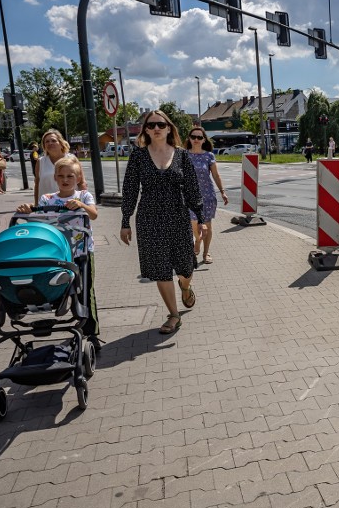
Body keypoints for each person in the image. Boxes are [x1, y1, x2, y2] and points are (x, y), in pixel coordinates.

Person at [120, 110, 207, 335]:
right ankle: (174, 315)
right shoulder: (138, 156)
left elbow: (192, 189)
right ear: (145, 130)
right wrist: (125, 220)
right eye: (151, 125)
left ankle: (185, 286)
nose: (156, 128)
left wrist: (201, 219)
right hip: (149, 219)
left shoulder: (181, 155)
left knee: (186, 266)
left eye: (160, 124)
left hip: (178, 217)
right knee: (160, 270)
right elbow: (129, 190)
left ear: (169, 128)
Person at [16, 158, 100, 338]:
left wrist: (81, 205)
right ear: (55, 178)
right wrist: (29, 208)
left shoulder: (84, 195)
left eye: (70, 176)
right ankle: (74, 321)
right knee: (65, 289)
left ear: (77, 178)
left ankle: (91, 332)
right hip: (58, 253)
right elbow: (38, 214)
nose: (65, 179)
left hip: (81, 251)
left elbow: (93, 214)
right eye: (61, 176)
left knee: (86, 291)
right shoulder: (47, 199)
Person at [184, 127, 228, 265]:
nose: (196, 140)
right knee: (194, 225)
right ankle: (197, 240)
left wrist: (222, 191)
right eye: (193, 137)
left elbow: (215, 175)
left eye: (199, 137)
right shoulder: (183, 155)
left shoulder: (209, 156)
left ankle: (206, 252)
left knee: (207, 226)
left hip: (207, 196)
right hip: (189, 197)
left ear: (204, 140)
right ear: (189, 138)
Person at [34, 129, 88, 204]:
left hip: (70, 203)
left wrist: (84, 203)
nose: (50, 143)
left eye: (53, 140)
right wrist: (36, 204)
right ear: (44, 146)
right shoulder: (40, 162)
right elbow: (37, 184)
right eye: (47, 141)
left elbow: (82, 183)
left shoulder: (72, 159)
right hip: (47, 204)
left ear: (60, 143)